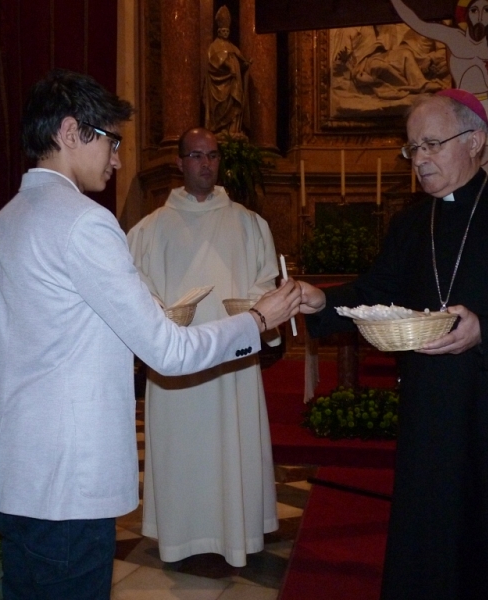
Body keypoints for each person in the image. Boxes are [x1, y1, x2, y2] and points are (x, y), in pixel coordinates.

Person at [0, 70, 301, 600]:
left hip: (17, 475)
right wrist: (258, 321)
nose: (118, 158)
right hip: (68, 482)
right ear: (68, 131)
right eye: (111, 140)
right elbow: (169, 352)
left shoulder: (9, 218)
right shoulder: (85, 222)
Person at [299, 88, 488, 599]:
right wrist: (320, 301)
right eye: (413, 148)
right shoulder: (412, 223)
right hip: (431, 412)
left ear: (475, 141)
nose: (420, 159)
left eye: (432, 144)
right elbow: (374, 293)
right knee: (430, 538)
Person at [127, 126, 281, 568]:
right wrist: (162, 313)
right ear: (179, 162)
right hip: (178, 365)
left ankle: (240, 532)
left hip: (234, 361)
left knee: (233, 442)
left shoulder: (250, 224)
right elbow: (136, 292)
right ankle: (181, 537)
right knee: (183, 451)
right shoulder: (148, 230)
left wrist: (249, 307)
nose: (205, 164)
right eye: (195, 156)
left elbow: (264, 283)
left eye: (212, 155)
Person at [390, 0, 488, 175]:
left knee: (485, 158)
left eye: (487, 10)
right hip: (461, 107)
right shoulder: (454, 37)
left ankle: (485, 200)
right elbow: (418, 24)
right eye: (474, 10)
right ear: (466, 14)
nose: (480, 15)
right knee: (457, 157)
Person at [203, 5, 251, 135]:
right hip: (220, 83)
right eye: (223, 31)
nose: (225, 33)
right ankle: (220, 128)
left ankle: (233, 130)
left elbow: (240, 62)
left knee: (234, 103)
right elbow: (212, 63)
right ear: (219, 32)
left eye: (227, 31)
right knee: (221, 106)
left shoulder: (232, 47)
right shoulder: (214, 46)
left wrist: (244, 66)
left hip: (234, 81)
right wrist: (226, 66)